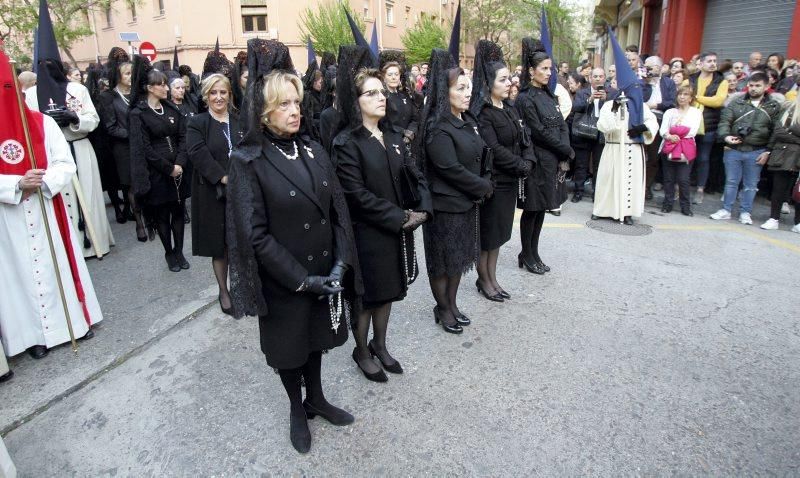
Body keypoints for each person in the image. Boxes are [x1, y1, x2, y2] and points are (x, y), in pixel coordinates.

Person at [226, 38, 360, 454]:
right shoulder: (249, 160)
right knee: (289, 351)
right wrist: (303, 281)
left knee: (316, 339)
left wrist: (340, 263)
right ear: (264, 113)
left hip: (324, 269)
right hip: (287, 280)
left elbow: (337, 210)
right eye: (284, 105)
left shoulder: (313, 148)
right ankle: (295, 408)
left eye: (297, 102)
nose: (295, 110)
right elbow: (255, 234)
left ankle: (316, 398)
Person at [333, 48, 432, 381]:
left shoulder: (392, 136)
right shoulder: (347, 142)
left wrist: (424, 208)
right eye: (371, 93)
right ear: (356, 100)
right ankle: (361, 349)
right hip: (366, 232)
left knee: (389, 290)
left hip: (394, 228)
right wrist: (400, 217)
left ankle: (380, 343)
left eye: (382, 91)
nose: (381, 97)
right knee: (367, 296)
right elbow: (356, 195)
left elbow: (413, 174)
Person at [0, 72, 103, 360]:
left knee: (56, 264)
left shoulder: (42, 123)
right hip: (10, 216)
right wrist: (16, 184)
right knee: (18, 275)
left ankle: (73, 325)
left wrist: (43, 180)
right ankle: (32, 337)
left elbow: (64, 162)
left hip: (46, 207)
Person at [421, 48, 493, 334]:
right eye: (461, 88)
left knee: (458, 261)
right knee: (443, 263)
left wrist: (486, 178)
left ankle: (451, 304)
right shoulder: (438, 128)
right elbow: (449, 169)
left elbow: (481, 154)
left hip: (466, 204)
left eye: (469, 87)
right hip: (445, 207)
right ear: (445, 92)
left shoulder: (466, 121)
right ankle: (443, 308)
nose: (468, 93)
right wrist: (483, 186)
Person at [25, 59, 115, 259]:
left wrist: (75, 119)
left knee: (89, 195)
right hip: (51, 153)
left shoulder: (78, 89)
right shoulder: (31, 95)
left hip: (80, 146)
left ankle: (96, 242)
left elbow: (93, 118)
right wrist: (46, 125)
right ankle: (69, 249)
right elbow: (28, 125)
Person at [471, 40, 534, 300]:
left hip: (510, 181)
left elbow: (523, 136)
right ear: (489, 84)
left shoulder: (509, 108)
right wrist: (521, 165)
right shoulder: (484, 113)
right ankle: (484, 280)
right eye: (503, 80)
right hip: (495, 182)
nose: (509, 84)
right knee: (488, 236)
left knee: (499, 237)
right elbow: (494, 149)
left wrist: (528, 159)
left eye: (510, 79)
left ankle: (492, 278)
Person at [187, 73, 243, 314]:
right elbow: (197, 153)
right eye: (213, 92)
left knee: (240, 242)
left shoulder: (239, 120)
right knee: (220, 245)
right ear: (206, 95)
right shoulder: (197, 122)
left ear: (230, 94)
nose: (218, 97)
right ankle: (223, 290)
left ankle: (243, 288)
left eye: (223, 92)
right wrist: (223, 177)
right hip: (212, 192)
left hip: (242, 191)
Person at [129, 56, 191, 271]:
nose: (166, 87)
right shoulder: (139, 114)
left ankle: (180, 252)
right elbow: (144, 148)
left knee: (179, 212)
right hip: (157, 172)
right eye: (161, 84)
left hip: (179, 168)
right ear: (149, 88)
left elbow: (183, 137)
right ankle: (169, 253)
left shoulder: (172, 110)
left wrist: (181, 163)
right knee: (163, 216)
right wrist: (168, 168)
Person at [515, 38, 572, 270]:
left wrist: (565, 153)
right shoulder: (525, 98)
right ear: (531, 71)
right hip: (536, 161)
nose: (549, 73)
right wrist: (564, 149)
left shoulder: (549, 95)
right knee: (532, 209)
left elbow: (561, 125)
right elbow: (537, 132)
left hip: (552, 161)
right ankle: (526, 255)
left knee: (543, 209)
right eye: (544, 69)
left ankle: (533, 253)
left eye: (551, 69)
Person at [592, 45, 659, 225]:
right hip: (613, 149)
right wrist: (614, 110)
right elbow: (602, 125)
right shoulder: (609, 105)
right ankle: (602, 209)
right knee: (608, 181)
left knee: (631, 182)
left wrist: (642, 127)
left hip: (632, 149)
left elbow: (653, 122)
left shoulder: (640, 107)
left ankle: (628, 212)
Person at [710, 72, 782, 224]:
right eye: (751, 85)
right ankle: (726, 210)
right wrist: (725, 137)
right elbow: (725, 122)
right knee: (731, 181)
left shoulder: (774, 106)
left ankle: (745, 212)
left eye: (758, 86)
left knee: (751, 185)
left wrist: (768, 151)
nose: (753, 88)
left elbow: (776, 130)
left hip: (757, 149)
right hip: (733, 148)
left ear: (767, 87)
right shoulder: (736, 102)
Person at [98, 48, 147, 240]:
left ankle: (150, 217)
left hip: (144, 145)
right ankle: (139, 224)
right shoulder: (109, 97)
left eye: (132, 73)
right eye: (127, 73)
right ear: (117, 76)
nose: (130, 76)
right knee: (132, 186)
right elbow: (110, 127)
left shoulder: (140, 94)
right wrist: (133, 135)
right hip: (124, 147)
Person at [685, 51, 729, 204]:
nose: (713, 63)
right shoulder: (690, 79)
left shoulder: (721, 81)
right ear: (701, 63)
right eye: (709, 61)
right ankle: (681, 188)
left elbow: (718, 101)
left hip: (709, 125)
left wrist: (696, 98)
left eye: (715, 61)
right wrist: (703, 100)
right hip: (690, 124)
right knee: (687, 156)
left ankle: (700, 190)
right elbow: (683, 97)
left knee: (704, 158)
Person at [571, 67, 617, 202]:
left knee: (599, 165)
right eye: (595, 76)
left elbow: (617, 111)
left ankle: (597, 192)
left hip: (601, 133)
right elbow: (576, 108)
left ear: (605, 78)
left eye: (600, 76)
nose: (598, 79)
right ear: (590, 78)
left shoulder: (612, 93)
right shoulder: (582, 92)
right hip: (584, 133)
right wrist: (590, 99)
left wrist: (606, 99)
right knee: (581, 165)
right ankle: (578, 191)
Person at [659, 84, 702, 216]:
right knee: (668, 178)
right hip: (669, 146)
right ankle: (667, 203)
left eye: (686, 95)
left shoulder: (696, 112)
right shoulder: (670, 112)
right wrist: (669, 136)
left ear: (691, 98)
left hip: (686, 148)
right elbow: (663, 130)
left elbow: (693, 131)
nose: (682, 97)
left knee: (683, 179)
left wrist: (676, 133)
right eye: (680, 94)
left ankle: (685, 206)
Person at [760, 92, 800, 232]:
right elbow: (778, 131)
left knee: (799, 190)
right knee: (779, 188)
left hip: (790, 150)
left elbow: (788, 131)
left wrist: (791, 131)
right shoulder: (788, 107)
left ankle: (798, 222)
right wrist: (768, 150)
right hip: (783, 152)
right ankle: (773, 218)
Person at [643, 55, 678, 199]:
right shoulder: (642, 82)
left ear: (658, 67)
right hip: (643, 120)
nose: (647, 69)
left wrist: (655, 105)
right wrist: (647, 82)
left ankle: (646, 187)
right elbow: (638, 99)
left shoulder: (668, 83)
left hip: (660, 120)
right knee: (639, 154)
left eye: (649, 67)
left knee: (653, 157)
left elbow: (671, 102)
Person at [380, 54, 419, 144]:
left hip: (410, 141)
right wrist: (403, 132)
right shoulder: (382, 97)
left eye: (396, 74)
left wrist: (411, 131)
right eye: (390, 75)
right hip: (390, 141)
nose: (393, 77)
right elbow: (382, 122)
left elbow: (415, 118)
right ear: (384, 78)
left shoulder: (405, 95)